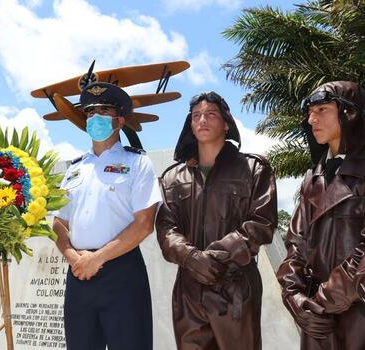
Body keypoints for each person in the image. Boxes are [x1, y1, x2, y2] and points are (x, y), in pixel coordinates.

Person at [155, 91, 277, 349]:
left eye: (211, 114)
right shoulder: (172, 177)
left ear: (227, 123)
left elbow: (261, 223)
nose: (202, 120)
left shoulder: (254, 169)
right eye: (196, 116)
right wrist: (191, 258)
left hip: (235, 288)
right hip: (189, 290)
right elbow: (166, 227)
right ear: (190, 124)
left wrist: (214, 257)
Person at [53, 82, 161, 350]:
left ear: (120, 120)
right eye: (90, 113)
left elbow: (144, 224)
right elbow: (58, 223)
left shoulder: (137, 163)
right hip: (78, 272)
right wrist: (73, 257)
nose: (95, 118)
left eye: (103, 111)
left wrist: (98, 258)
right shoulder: (74, 169)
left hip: (121, 272)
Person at [277, 81, 365, 350]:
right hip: (315, 322)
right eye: (310, 112)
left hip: (358, 317)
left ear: (350, 114)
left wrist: (322, 302)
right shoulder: (312, 177)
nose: (312, 119)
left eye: (323, 109)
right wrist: (296, 300)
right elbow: (296, 244)